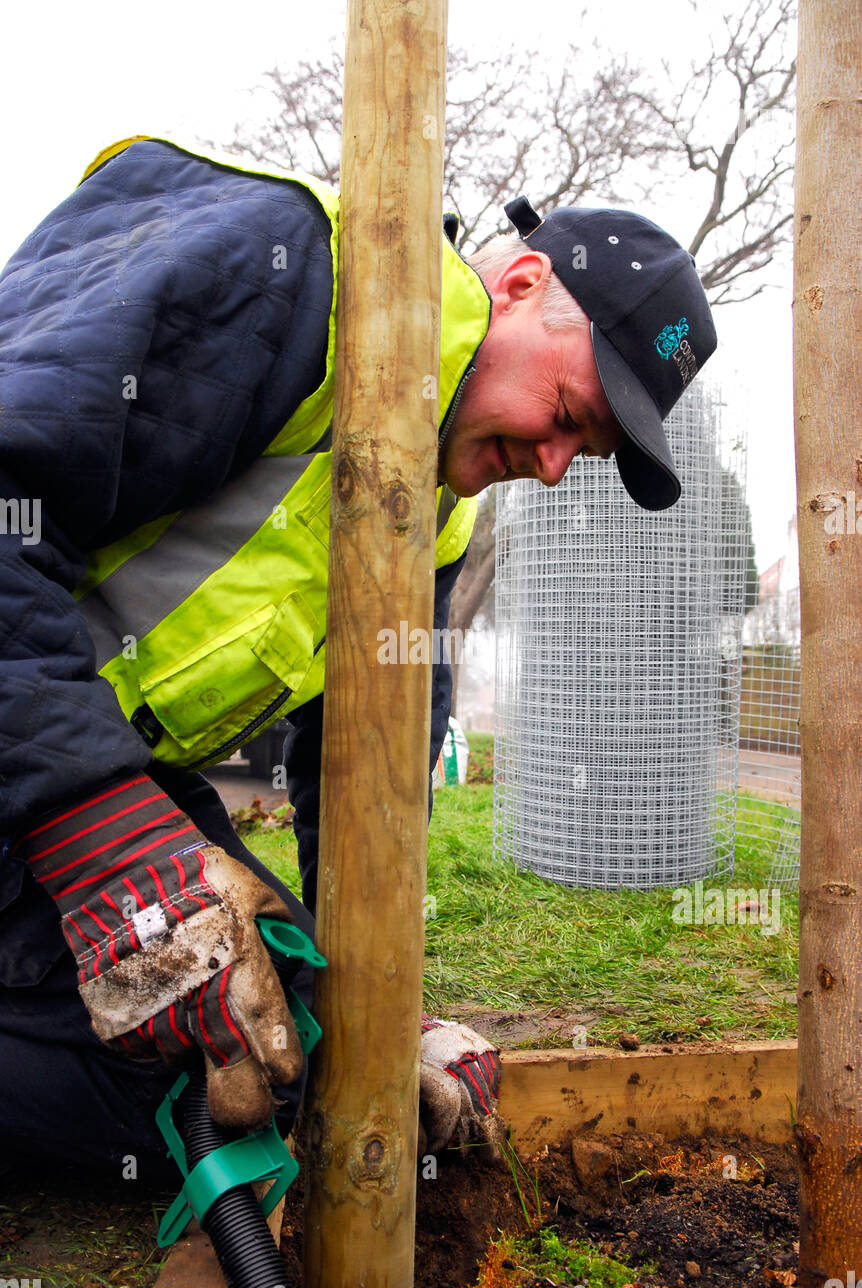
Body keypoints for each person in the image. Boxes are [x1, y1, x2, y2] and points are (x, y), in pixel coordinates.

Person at [0, 137, 716, 1183]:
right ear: (520, 285)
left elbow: (368, 787)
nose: (555, 469)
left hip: (52, 764)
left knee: (264, 1038)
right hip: (48, 766)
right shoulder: (282, 275)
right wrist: (101, 837)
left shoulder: (431, 519)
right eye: (567, 414)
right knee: (152, 1082)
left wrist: (377, 1014)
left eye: (586, 453)